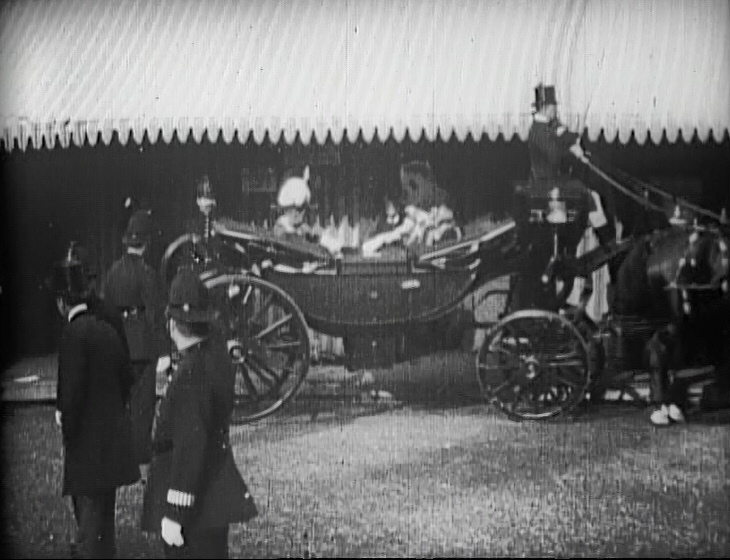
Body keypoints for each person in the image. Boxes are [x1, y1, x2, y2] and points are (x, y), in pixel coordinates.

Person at [141, 269, 257, 558]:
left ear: (172, 325)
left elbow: (191, 447)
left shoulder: (189, 375)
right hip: (213, 493)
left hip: (194, 504)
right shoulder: (214, 358)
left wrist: (175, 512)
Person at [52, 242, 140, 558]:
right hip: (111, 439)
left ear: (62, 303)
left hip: (86, 445)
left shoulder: (73, 335)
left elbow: (71, 396)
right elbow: (126, 378)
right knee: (105, 523)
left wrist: (65, 419)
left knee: (88, 524)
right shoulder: (108, 326)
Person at [99, 206, 167, 473]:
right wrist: (163, 352)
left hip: (118, 341)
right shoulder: (148, 274)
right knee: (142, 402)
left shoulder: (113, 272)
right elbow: (154, 315)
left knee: (121, 399)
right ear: (146, 244)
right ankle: (140, 451)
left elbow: (106, 308)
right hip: (141, 343)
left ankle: (120, 449)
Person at [362, 161, 461, 255]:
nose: (408, 195)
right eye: (405, 190)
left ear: (431, 184)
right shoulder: (413, 215)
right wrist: (381, 239)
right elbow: (401, 232)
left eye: (413, 186)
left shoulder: (442, 215)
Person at [273, 166, 343, 255]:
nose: (301, 214)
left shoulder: (303, 228)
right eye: (298, 209)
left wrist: (328, 243)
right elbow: (293, 241)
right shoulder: (281, 228)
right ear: (287, 210)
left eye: (303, 209)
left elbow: (327, 243)